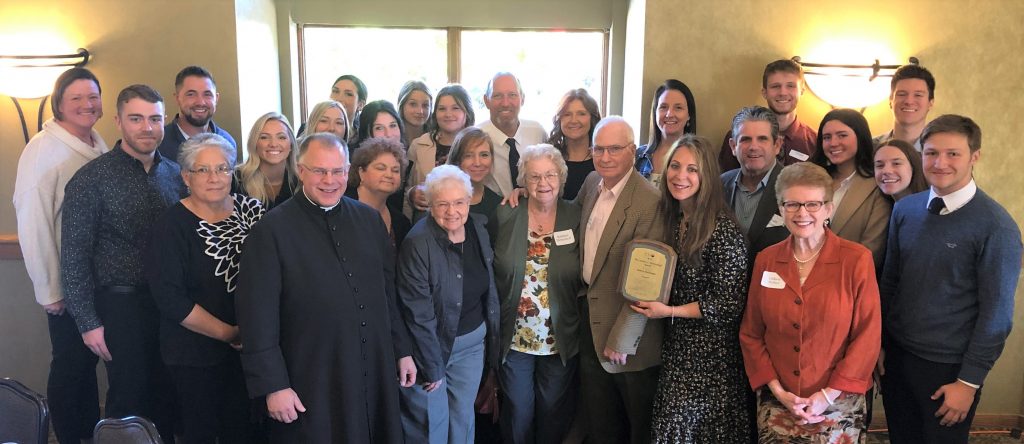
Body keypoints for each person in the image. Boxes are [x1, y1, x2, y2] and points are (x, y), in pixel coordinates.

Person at [235, 133, 414, 443]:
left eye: (338, 171)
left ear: (349, 172)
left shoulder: (370, 221)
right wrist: (273, 385)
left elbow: (387, 295)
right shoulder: (272, 231)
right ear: (301, 170)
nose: (329, 180)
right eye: (319, 171)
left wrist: (402, 351)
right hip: (311, 372)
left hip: (374, 364)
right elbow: (257, 317)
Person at [880, 115, 1022, 444]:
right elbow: (890, 283)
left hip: (948, 369)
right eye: (931, 153)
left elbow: (996, 316)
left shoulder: (997, 227)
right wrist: (881, 344)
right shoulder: (906, 210)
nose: (940, 163)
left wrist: (969, 383)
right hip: (898, 359)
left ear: (975, 156)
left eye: (953, 154)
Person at [61, 84, 186, 440]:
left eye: (155, 119)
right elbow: (73, 257)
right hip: (120, 306)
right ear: (118, 121)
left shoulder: (178, 175)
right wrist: (87, 322)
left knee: (170, 394)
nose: (147, 127)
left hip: (171, 305)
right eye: (136, 118)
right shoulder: (91, 180)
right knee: (129, 398)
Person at [739, 162, 881, 443]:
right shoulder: (766, 260)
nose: (802, 213)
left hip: (837, 402)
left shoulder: (856, 259)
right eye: (792, 204)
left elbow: (868, 336)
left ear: (828, 208)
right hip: (778, 401)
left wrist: (826, 395)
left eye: (813, 204)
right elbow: (751, 333)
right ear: (780, 208)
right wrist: (779, 393)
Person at [631, 135, 752, 442]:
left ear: (706, 176)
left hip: (711, 359)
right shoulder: (674, 220)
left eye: (692, 169)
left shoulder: (723, 230)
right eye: (675, 166)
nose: (680, 176)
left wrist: (668, 310)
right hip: (677, 348)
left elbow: (727, 305)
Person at [147, 134, 265, 443]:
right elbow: (170, 298)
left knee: (248, 431)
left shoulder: (252, 212)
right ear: (186, 176)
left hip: (252, 350)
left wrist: (253, 333)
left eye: (222, 168)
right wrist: (229, 333)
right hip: (195, 356)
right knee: (203, 433)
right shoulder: (171, 227)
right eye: (203, 170)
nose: (214, 178)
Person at [13, 67, 106, 444]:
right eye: (76, 98)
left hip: (95, 277)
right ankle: (69, 436)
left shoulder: (97, 142)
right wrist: (50, 288)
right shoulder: (43, 149)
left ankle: (85, 433)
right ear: (59, 104)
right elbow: (33, 221)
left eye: (93, 96)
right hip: (65, 283)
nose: (87, 104)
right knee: (70, 365)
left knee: (86, 364)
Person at [396, 165, 500, 444]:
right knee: (432, 427)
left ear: (469, 201)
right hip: (431, 347)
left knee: (463, 419)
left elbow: (488, 290)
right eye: (442, 203)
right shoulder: (417, 243)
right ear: (430, 205)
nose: (452, 211)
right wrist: (432, 365)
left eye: (459, 202)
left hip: (472, 347)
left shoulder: (478, 227)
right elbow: (417, 313)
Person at [577, 116, 665, 444]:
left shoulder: (649, 201)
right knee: (601, 424)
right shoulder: (591, 184)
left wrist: (623, 338)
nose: (606, 157)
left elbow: (648, 279)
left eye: (615, 149)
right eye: (598, 149)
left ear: (632, 151)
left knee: (635, 425)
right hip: (590, 320)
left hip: (629, 338)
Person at [490, 144, 582, 444]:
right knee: (518, 411)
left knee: (553, 412)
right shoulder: (507, 213)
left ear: (562, 177)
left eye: (550, 175)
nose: (543, 183)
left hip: (560, 336)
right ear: (523, 182)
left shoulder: (576, 216)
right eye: (534, 177)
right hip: (515, 337)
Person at [810, 108, 891, 270]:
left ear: (860, 137)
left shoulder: (877, 186)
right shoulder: (810, 181)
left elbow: (871, 251)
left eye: (842, 135)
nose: (833, 143)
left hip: (846, 282)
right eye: (827, 137)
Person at [719, 59, 817, 171]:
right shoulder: (739, 136)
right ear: (764, 92)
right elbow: (726, 183)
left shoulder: (815, 142)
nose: (783, 93)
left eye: (790, 86)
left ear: (802, 91)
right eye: (775, 86)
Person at [721, 106, 790, 263]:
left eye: (762, 139)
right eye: (745, 139)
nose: (753, 147)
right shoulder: (720, 185)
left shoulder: (795, 188)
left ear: (777, 145)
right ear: (733, 146)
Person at [406, 84, 476, 216]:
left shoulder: (479, 144)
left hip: (470, 219)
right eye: (442, 109)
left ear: (466, 112)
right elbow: (406, 187)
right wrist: (412, 194)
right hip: (427, 221)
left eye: (455, 108)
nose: (448, 114)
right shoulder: (418, 145)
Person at [478, 72, 548, 197]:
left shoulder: (537, 132)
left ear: (523, 99)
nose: (505, 103)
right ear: (486, 101)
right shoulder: (476, 137)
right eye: (497, 96)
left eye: (512, 95)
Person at [157, 65, 237, 163]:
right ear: (177, 98)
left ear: (216, 98)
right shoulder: (159, 144)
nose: (200, 102)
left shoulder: (227, 141)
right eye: (191, 94)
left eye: (207, 94)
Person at [345, 136, 413, 248]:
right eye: (381, 168)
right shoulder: (342, 210)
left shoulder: (401, 222)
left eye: (395, 170)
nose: (389, 175)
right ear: (361, 172)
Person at [635, 79, 697, 186]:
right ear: (655, 113)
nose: (669, 114)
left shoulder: (700, 158)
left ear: (689, 115)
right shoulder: (638, 156)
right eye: (663, 107)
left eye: (678, 108)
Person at [232, 112, 298, 210]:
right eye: (264, 137)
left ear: (291, 145)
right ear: (255, 144)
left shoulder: (301, 181)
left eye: (281, 137)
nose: (273, 144)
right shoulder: (236, 180)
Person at [547, 88, 599, 200]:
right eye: (567, 114)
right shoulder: (548, 159)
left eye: (581, 114)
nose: (574, 120)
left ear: (592, 118)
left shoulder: (603, 159)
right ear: (559, 119)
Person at [873, 64, 936, 151]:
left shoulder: (939, 151)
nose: (909, 101)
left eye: (918, 95)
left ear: (931, 103)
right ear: (890, 100)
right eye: (902, 94)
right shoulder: (869, 148)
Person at [446, 127, 502, 222]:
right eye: (468, 155)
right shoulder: (440, 199)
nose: (477, 163)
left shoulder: (497, 204)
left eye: (484, 155)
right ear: (457, 160)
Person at [331, 74, 368, 140]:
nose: (339, 99)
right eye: (335, 91)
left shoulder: (365, 140)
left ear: (361, 105)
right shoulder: (309, 130)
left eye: (348, 94)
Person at [398, 80, 433, 145]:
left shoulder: (437, 138)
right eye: (413, 104)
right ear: (402, 105)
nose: (420, 111)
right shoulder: (393, 137)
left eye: (425, 105)